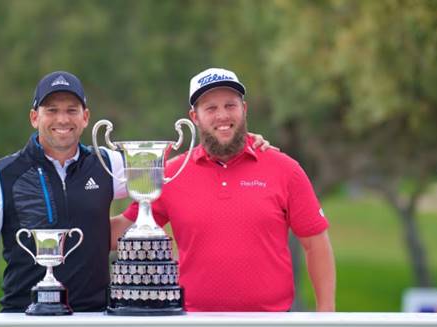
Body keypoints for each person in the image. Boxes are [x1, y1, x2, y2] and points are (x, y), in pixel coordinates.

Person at [0, 70, 273, 314]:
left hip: (97, 317)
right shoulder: (1, 176)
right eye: (52, 110)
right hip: (23, 317)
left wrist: (238, 143)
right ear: (34, 117)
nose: (62, 119)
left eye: (72, 110)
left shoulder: (111, 163)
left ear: (86, 117)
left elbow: (176, 169)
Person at [111, 67, 336, 312]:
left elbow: (316, 245)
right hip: (194, 320)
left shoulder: (285, 169)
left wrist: (326, 316)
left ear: (244, 109)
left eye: (230, 105)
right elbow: (120, 234)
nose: (222, 115)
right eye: (211, 108)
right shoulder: (171, 174)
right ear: (194, 116)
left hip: (272, 321)